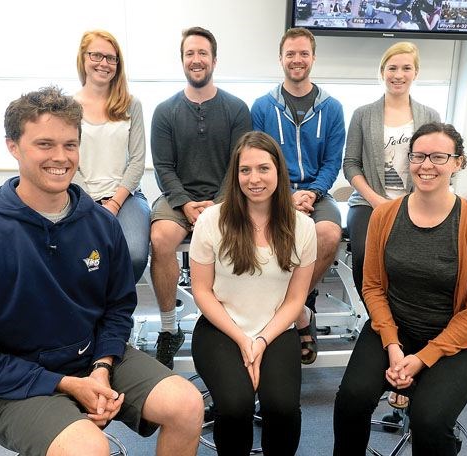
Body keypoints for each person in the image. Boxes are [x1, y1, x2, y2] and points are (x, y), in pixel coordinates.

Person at [0, 86, 203, 456]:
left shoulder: (102, 225)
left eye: (70, 145)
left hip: (94, 359)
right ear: (13, 146)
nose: (60, 157)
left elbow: (117, 308)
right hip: (15, 382)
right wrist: (65, 384)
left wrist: (101, 366)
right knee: (87, 448)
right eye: (44, 144)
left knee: (187, 405)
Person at [333, 122, 467, 455]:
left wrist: (422, 359)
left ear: (458, 163)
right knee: (351, 401)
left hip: (458, 342)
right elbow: (374, 288)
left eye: (439, 156)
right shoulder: (385, 216)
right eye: (419, 156)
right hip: (393, 329)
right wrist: (394, 347)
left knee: (429, 420)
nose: (426, 165)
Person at [190, 131, 316, 455]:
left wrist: (259, 340)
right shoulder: (211, 220)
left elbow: (295, 299)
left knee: (282, 408)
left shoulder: (303, 227)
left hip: (276, 329)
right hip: (221, 327)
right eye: (245, 170)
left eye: (263, 168)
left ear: (278, 171)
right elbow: (202, 291)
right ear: (235, 174)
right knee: (234, 406)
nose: (254, 178)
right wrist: (243, 339)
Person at [149, 26, 251, 369]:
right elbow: (163, 166)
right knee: (161, 238)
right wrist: (184, 203)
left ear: (214, 60)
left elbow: (240, 162)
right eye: (190, 54)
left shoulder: (237, 109)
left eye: (202, 53)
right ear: (182, 61)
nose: (196, 59)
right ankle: (168, 329)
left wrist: (219, 204)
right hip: (178, 198)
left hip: (226, 198)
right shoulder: (165, 111)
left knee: (237, 237)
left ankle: (231, 323)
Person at [251, 27, 344, 365]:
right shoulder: (262, 107)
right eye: (290, 53)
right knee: (265, 237)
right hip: (274, 195)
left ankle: (294, 306)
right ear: (281, 59)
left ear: (313, 58)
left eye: (303, 53)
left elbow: (333, 162)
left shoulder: (332, 109)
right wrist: (287, 196)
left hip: (318, 195)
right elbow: (258, 159)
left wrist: (312, 193)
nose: (297, 59)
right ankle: (298, 312)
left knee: (329, 233)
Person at [344, 41, 440, 302]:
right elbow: (350, 163)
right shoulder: (362, 115)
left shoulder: (429, 116)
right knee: (365, 253)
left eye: (406, 68)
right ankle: (373, 313)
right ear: (382, 71)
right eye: (392, 68)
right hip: (367, 202)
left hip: (414, 201)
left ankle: (405, 311)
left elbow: (435, 163)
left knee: (417, 257)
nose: (398, 75)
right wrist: (377, 201)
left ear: (416, 73)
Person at [74, 30, 150, 283]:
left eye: (111, 58)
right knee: (84, 257)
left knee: (135, 254)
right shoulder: (67, 107)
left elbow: (138, 160)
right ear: (83, 58)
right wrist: (89, 203)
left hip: (125, 196)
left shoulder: (130, 105)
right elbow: (67, 161)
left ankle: (119, 313)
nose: (104, 63)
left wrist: (114, 204)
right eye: (96, 55)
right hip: (80, 196)